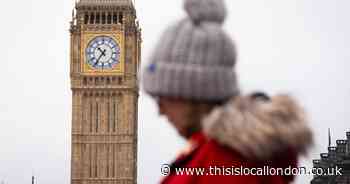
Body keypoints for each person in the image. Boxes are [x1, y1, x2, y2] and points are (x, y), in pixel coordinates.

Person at [142, 0, 313, 183]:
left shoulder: (224, 165)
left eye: (163, 96)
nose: (160, 111)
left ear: (193, 91)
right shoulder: (212, 156)